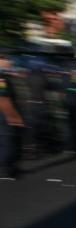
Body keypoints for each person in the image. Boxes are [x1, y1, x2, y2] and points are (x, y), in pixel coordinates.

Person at [0, 51, 26, 179]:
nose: (9, 62)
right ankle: (6, 168)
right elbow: (2, 98)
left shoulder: (5, 75)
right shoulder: (1, 77)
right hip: (4, 115)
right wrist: (12, 115)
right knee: (7, 140)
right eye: (6, 58)